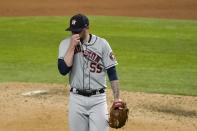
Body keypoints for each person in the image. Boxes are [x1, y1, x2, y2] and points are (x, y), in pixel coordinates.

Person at [58, 14, 121, 131]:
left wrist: (117, 98)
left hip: (98, 100)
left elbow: (112, 72)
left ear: (86, 28)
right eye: (72, 31)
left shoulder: (102, 44)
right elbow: (63, 70)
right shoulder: (65, 44)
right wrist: (72, 46)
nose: (75, 34)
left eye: (78, 31)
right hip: (76, 100)